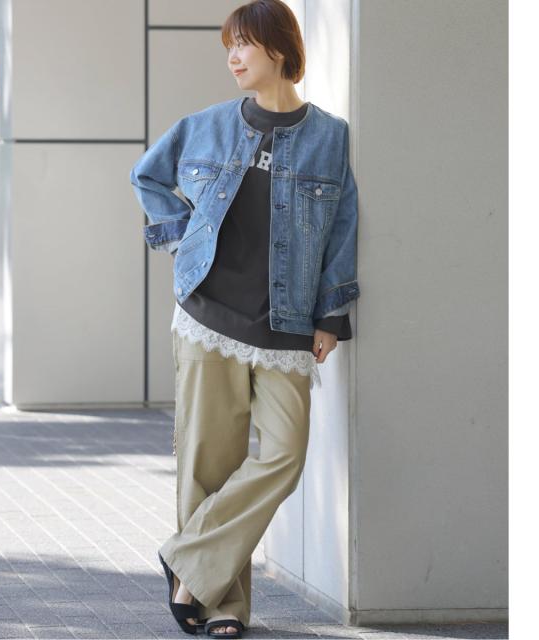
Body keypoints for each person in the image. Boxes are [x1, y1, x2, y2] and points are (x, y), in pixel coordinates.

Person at [129, 2, 360, 636]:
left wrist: (330, 314)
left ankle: (185, 559)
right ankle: (221, 606)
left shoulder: (329, 136)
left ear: (278, 49)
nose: (233, 57)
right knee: (208, 464)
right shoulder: (205, 126)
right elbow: (148, 177)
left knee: (284, 455)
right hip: (209, 315)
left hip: (286, 322)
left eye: (244, 45)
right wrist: (186, 240)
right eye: (228, 46)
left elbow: (342, 229)